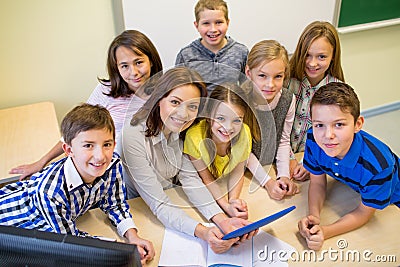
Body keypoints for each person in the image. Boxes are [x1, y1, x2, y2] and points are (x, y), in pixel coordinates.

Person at [122, 67, 256, 254]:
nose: (184, 114)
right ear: (159, 99)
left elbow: (191, 180)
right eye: (175, 102)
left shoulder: (184, 128)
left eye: (192, 106)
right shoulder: (132, 135)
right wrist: (204, 232)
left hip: (174, 198)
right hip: (138, 208)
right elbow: (159, 204)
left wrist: (221, 220)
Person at [0, 104, 155, 265]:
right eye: (88, 145)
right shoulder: (51, 193)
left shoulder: (113, 164)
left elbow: (115, 205)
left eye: (107, 144)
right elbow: (73, 244)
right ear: (68, 150)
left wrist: (132, 237)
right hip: (14, 224)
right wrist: (123, 254)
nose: (100, 156)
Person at [10, 29, 163, 180]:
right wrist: (42, 162)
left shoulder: (165, 94)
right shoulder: (107, 91)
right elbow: (78, 129)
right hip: (101, 171)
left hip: (144, 175)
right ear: (116, 68)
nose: (134, 72)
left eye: (139, 62)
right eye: (124, 66)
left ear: (151, 60)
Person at [298, 82, 400, 251]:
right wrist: (314, 217)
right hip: (359, 189)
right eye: (319, 125)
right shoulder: (313, 140)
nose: (327, 135)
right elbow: (317, 182)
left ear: (358, 124)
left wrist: (325, 231)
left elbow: (363, 213)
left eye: (339, 124)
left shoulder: (379, 167)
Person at [184, 84, 257, 219]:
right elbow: (207, 178)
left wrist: (233, 200)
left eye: (236, 120)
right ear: (208, 115)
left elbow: (237, 171)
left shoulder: (244, 133)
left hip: (223, 186)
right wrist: (225, 206)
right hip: (199, 195)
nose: (228, 128)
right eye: (221, 118)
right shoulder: (194, 137)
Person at [288, 21, 345, 181]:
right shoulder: (286, 81)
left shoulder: (338, 90)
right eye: (308, 55)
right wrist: (290, 159)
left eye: (321, 57)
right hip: (280, 157)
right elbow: (276, 126)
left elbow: (335, 137)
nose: (312, 63)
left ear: (333, 56)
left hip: (315, 161)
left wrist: (308, 162)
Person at [243, 40, 298, 200]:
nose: (270, 84)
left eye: (278, 76)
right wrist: (268, 183)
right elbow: (243, 152)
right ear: (248, 73)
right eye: (262, 76)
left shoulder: (288, 99)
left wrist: (283, 176)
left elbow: (283, 140)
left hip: (270, 167)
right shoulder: (239, 100)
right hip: (243, 172)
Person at [175, 0, 248, 93]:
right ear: (196, 25)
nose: (213, 29)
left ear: (227, 23)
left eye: (218, 22)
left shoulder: (241, 52)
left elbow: (248, 89)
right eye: (206, 23)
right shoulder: (185, 55)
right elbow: (178, 91)